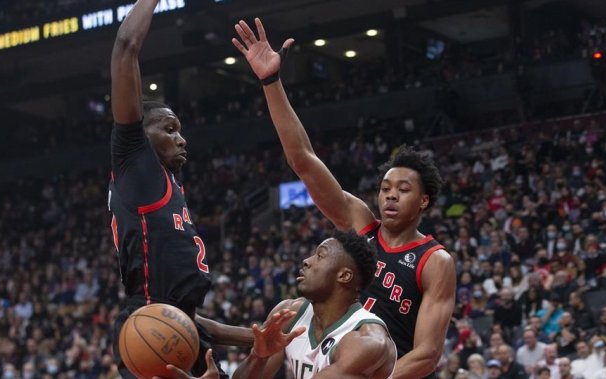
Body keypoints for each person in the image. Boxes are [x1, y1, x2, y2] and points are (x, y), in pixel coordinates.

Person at [232, 17, 456, 379]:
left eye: (403, 189)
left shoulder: (433, 260)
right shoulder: (360, 224)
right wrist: (271, 82)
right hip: (331, 360)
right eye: (385, 188)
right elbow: (303, 161)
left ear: (424, 201)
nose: (390, 196)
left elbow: (427, 355)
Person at [108, 1, 252, 377]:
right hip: (152, 323)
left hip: (174, 325)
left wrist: (261, 337)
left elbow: (190, 320)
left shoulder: (169, 183)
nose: (182, 139)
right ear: (141, 134)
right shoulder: (136, 163)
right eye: (170, 129)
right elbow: (126, 48)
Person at [169, 232, 397, 379]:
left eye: (320, 256)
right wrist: (258, 357)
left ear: (344, 276)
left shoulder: (366, 340)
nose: (307, 261)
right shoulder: (291, 313)